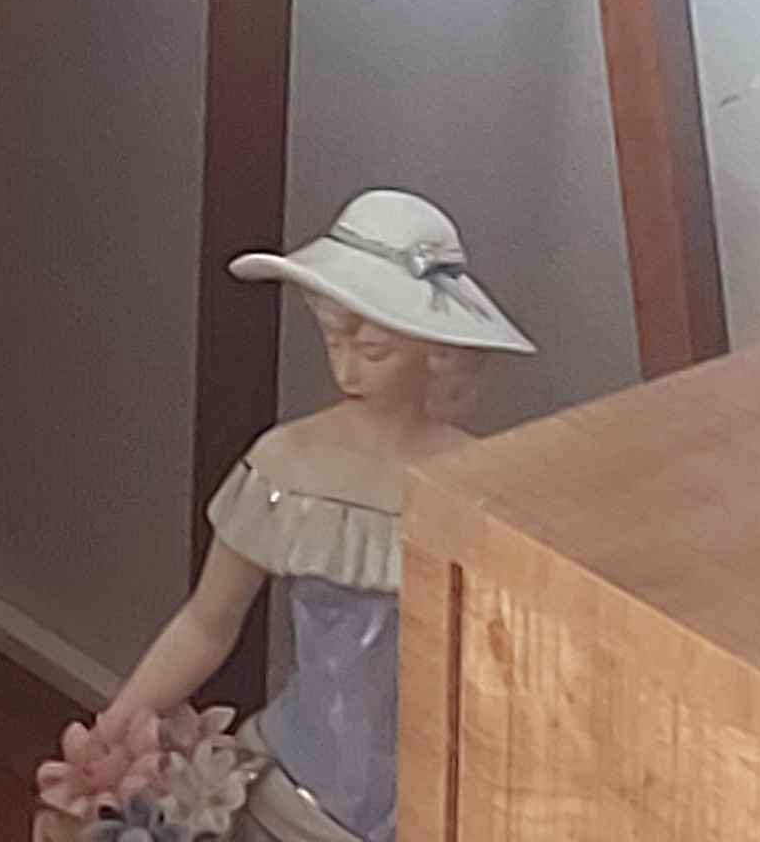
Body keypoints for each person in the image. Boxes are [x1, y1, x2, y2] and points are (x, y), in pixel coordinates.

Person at [52, 192, 532, 842]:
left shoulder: (480, 484)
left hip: (437, 800)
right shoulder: (287, 465)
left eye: (374, 350)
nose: (346, 366)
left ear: (435, 352)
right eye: (332, 340)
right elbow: (206, 623)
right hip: (293, 785)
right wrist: (112, 738)